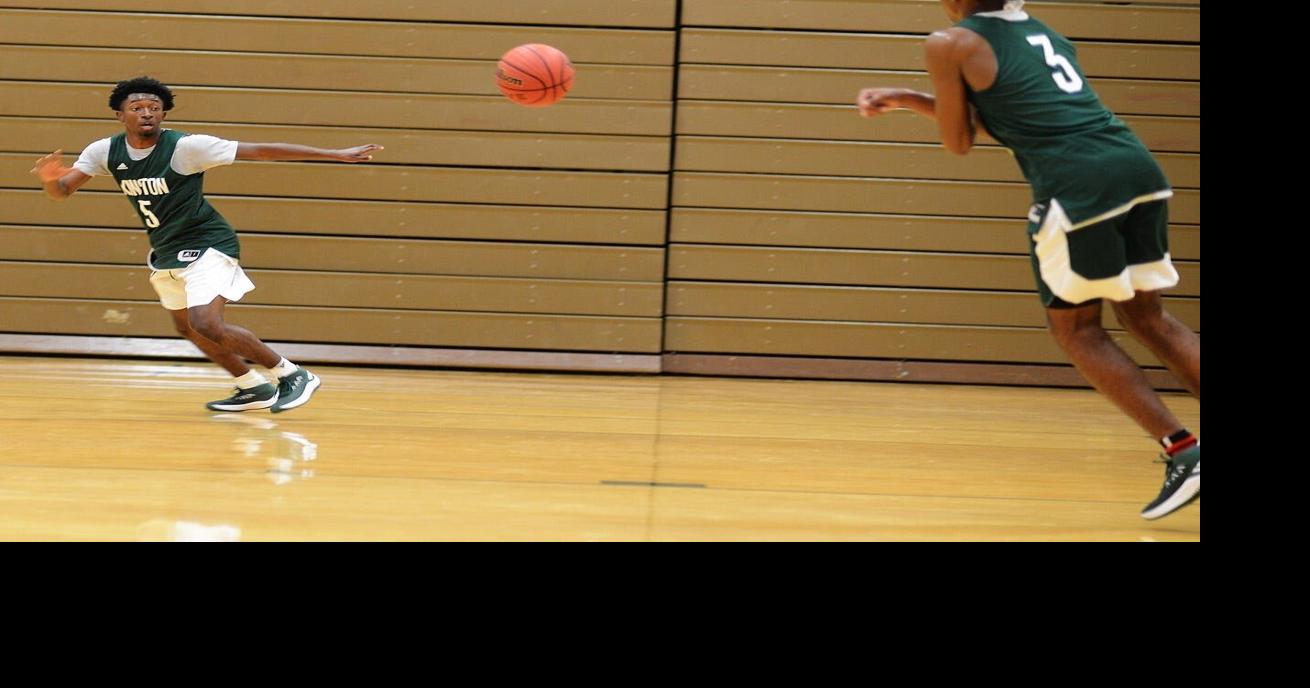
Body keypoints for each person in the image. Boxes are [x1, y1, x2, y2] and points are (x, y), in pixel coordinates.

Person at [855, 0, 1200, 519]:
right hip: (1133, 166)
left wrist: (934, 94)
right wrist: (909, 99)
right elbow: (1016, 119)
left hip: (1078, 184)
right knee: (1147, 316)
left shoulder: (949, 43)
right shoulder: (1039, 30)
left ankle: (1185, 452)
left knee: (1078, 331)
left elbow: (960, 140)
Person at [30, 76, 383, 413]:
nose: (147, 112)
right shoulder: (104, 151)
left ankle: (291, 374)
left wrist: (334, 154)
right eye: (137, 107)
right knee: (186, 327)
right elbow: (62, 191)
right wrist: (49, 180)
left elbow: (259, 151)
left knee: (206, 323)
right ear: (120, 115)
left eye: (154, 106)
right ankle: (250, 386)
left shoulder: (187, 147)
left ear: (163, 113)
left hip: (208, 243)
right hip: (167, 249)